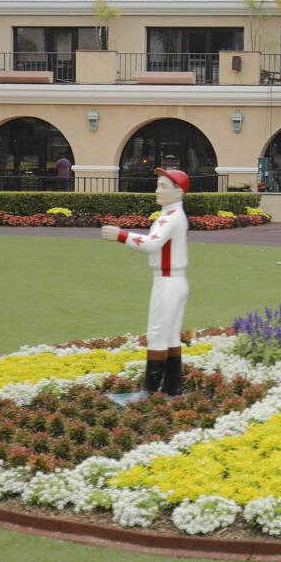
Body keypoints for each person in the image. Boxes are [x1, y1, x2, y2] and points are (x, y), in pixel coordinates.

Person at [101, 168, 191, 401]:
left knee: (158, 334)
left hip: (168, 282)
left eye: (163, 186)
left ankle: (149, 391)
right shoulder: (171, 215)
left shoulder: (171, 217)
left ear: (178, 193)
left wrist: (121, 235)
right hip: (173, 280)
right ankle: (172, 388)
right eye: (158, 185)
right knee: (170, 335)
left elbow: (152, 244)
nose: (157, 190)